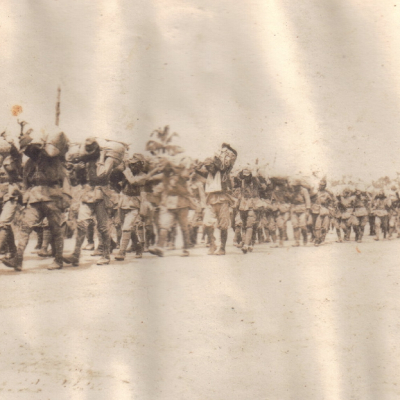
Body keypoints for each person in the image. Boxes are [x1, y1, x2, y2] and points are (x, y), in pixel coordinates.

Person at [3, 129, 70, 271]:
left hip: (52, 198)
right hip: (34, 200)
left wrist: (66, 198)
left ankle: (58, 260)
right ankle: (18, 260)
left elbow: (65, 177)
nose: (27, 152)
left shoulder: (52, 158)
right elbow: (26, 183)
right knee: (25, 227)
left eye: (28, 149)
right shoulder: (29, 164)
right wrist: (24, 197)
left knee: (57, 229)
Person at [62, 137, 122, 266]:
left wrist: (101, 158)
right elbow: (77, 182)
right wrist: (76, 170)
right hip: (88, 195)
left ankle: (106, 255)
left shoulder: (108, 159)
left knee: (103, 227)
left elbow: (102, 174)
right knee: (81, 223)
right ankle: (75, 255)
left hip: (102, 194)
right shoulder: (86, 161)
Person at [195, 143, 237, 255]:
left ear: (215, 165)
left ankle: (222, 247)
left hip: (222, 199)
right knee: (207, 223)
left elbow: (232, 159)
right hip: (211, 200)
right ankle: (212, 244)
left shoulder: (223, 172)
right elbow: (197, 170)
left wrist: (229, 148)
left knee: (223, 225)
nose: (210, 168)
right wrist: (199, 165)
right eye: (208, 167)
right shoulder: (207, 173)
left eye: (211, 166)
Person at [311, 179, 334, 246]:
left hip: (325, 210)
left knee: (325, 227)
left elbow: (332, 202)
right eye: (320, 185)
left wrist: (330, 208)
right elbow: (310, 199)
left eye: (322, 185)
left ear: (325, 186)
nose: (321, 186)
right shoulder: (315, 193)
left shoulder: (327, 194)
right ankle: (317, 239)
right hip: (316, 210)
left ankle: (322, 237)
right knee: (317, 226)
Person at [289, 179, 311, 247]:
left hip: (302, 209)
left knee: (303, 226)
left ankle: (305, 238)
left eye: (296, 186)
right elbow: (291, 201)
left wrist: (307, 210)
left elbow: (307, 200)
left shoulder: (304, 190)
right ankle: (297, 241)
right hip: (294, 209)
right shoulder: (293, 191)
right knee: (295, 225)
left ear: (299, 185)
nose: (295, 187)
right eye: (294, 186)